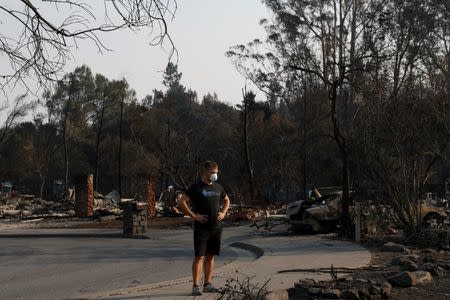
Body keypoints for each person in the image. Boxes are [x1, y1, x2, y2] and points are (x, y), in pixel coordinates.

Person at [179, 160, 230, 296]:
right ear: (205, 172)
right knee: (199, 257)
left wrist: (223, 212)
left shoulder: (218, 187)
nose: (215, 175)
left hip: (216, 227)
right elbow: (181, 201)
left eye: (216, 172)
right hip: (202, 229)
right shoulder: (196, 187)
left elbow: (227, 200)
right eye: (212, 172)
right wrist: (193, 216)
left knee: (210, 256)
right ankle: (196, 286)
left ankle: (207, 283)